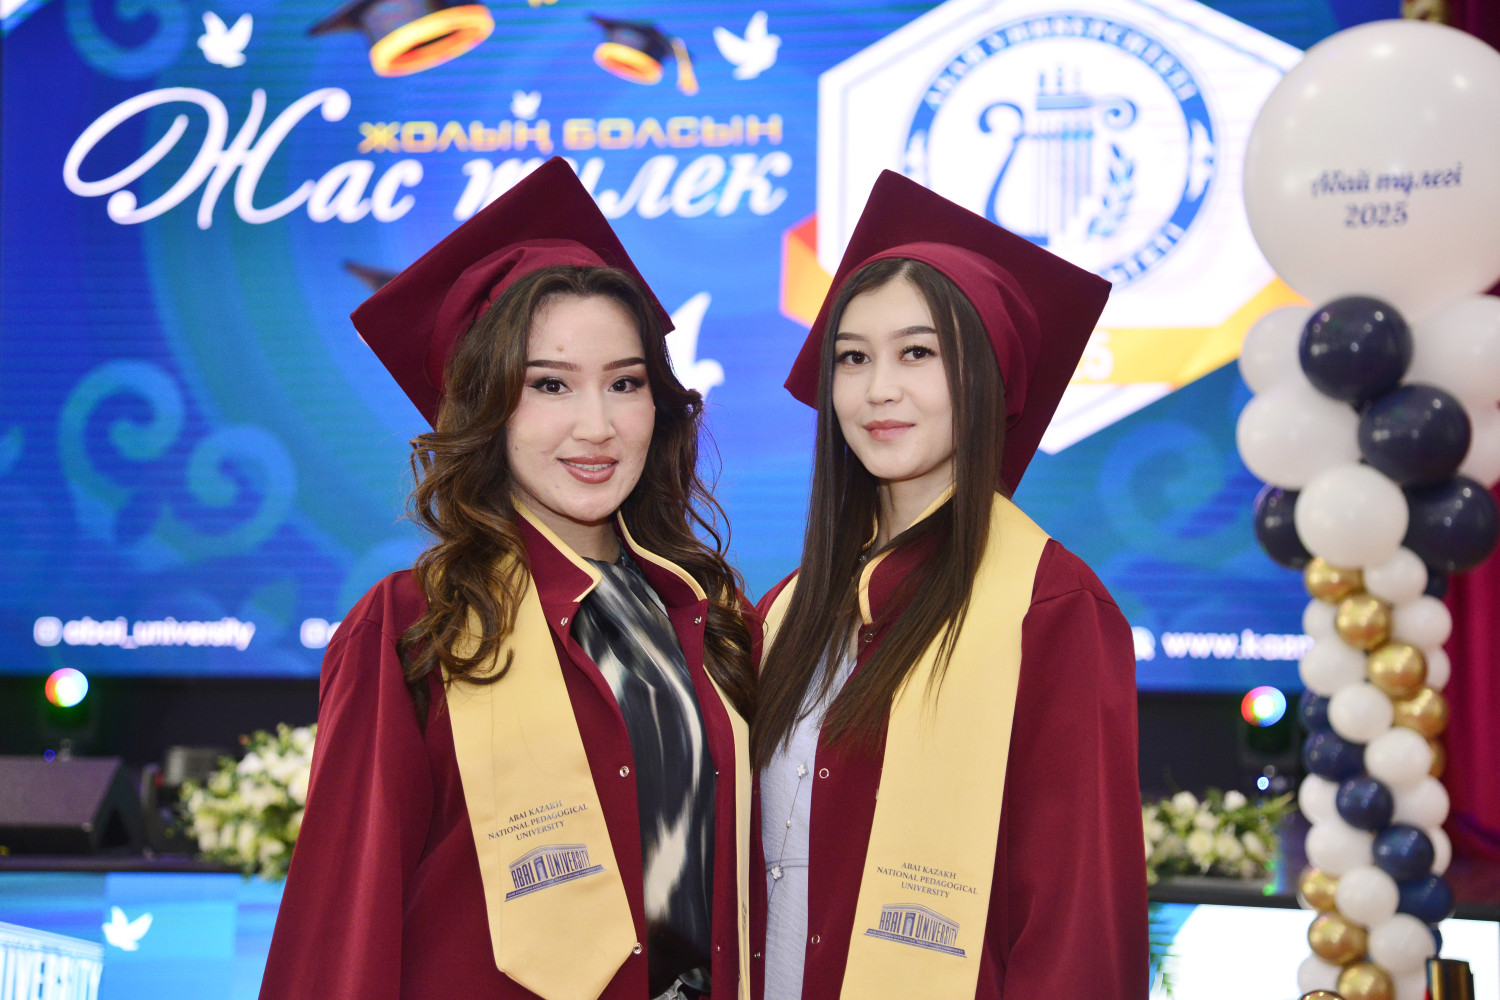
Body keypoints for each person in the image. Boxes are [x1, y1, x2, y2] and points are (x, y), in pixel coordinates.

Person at [259, 158, 756, 1000]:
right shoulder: (414, 626)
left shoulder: (708, 619)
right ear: (484, 405)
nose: (596, 425)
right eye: (549, 384)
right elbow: (344, 919)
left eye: (625, 383)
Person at [751, 171, 1147, 1000]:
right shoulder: (787, 611)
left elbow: (1077, 917)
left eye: (917, 353)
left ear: (987, 378)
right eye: (853, 358)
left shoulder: (1050, 609)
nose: (878, 389)